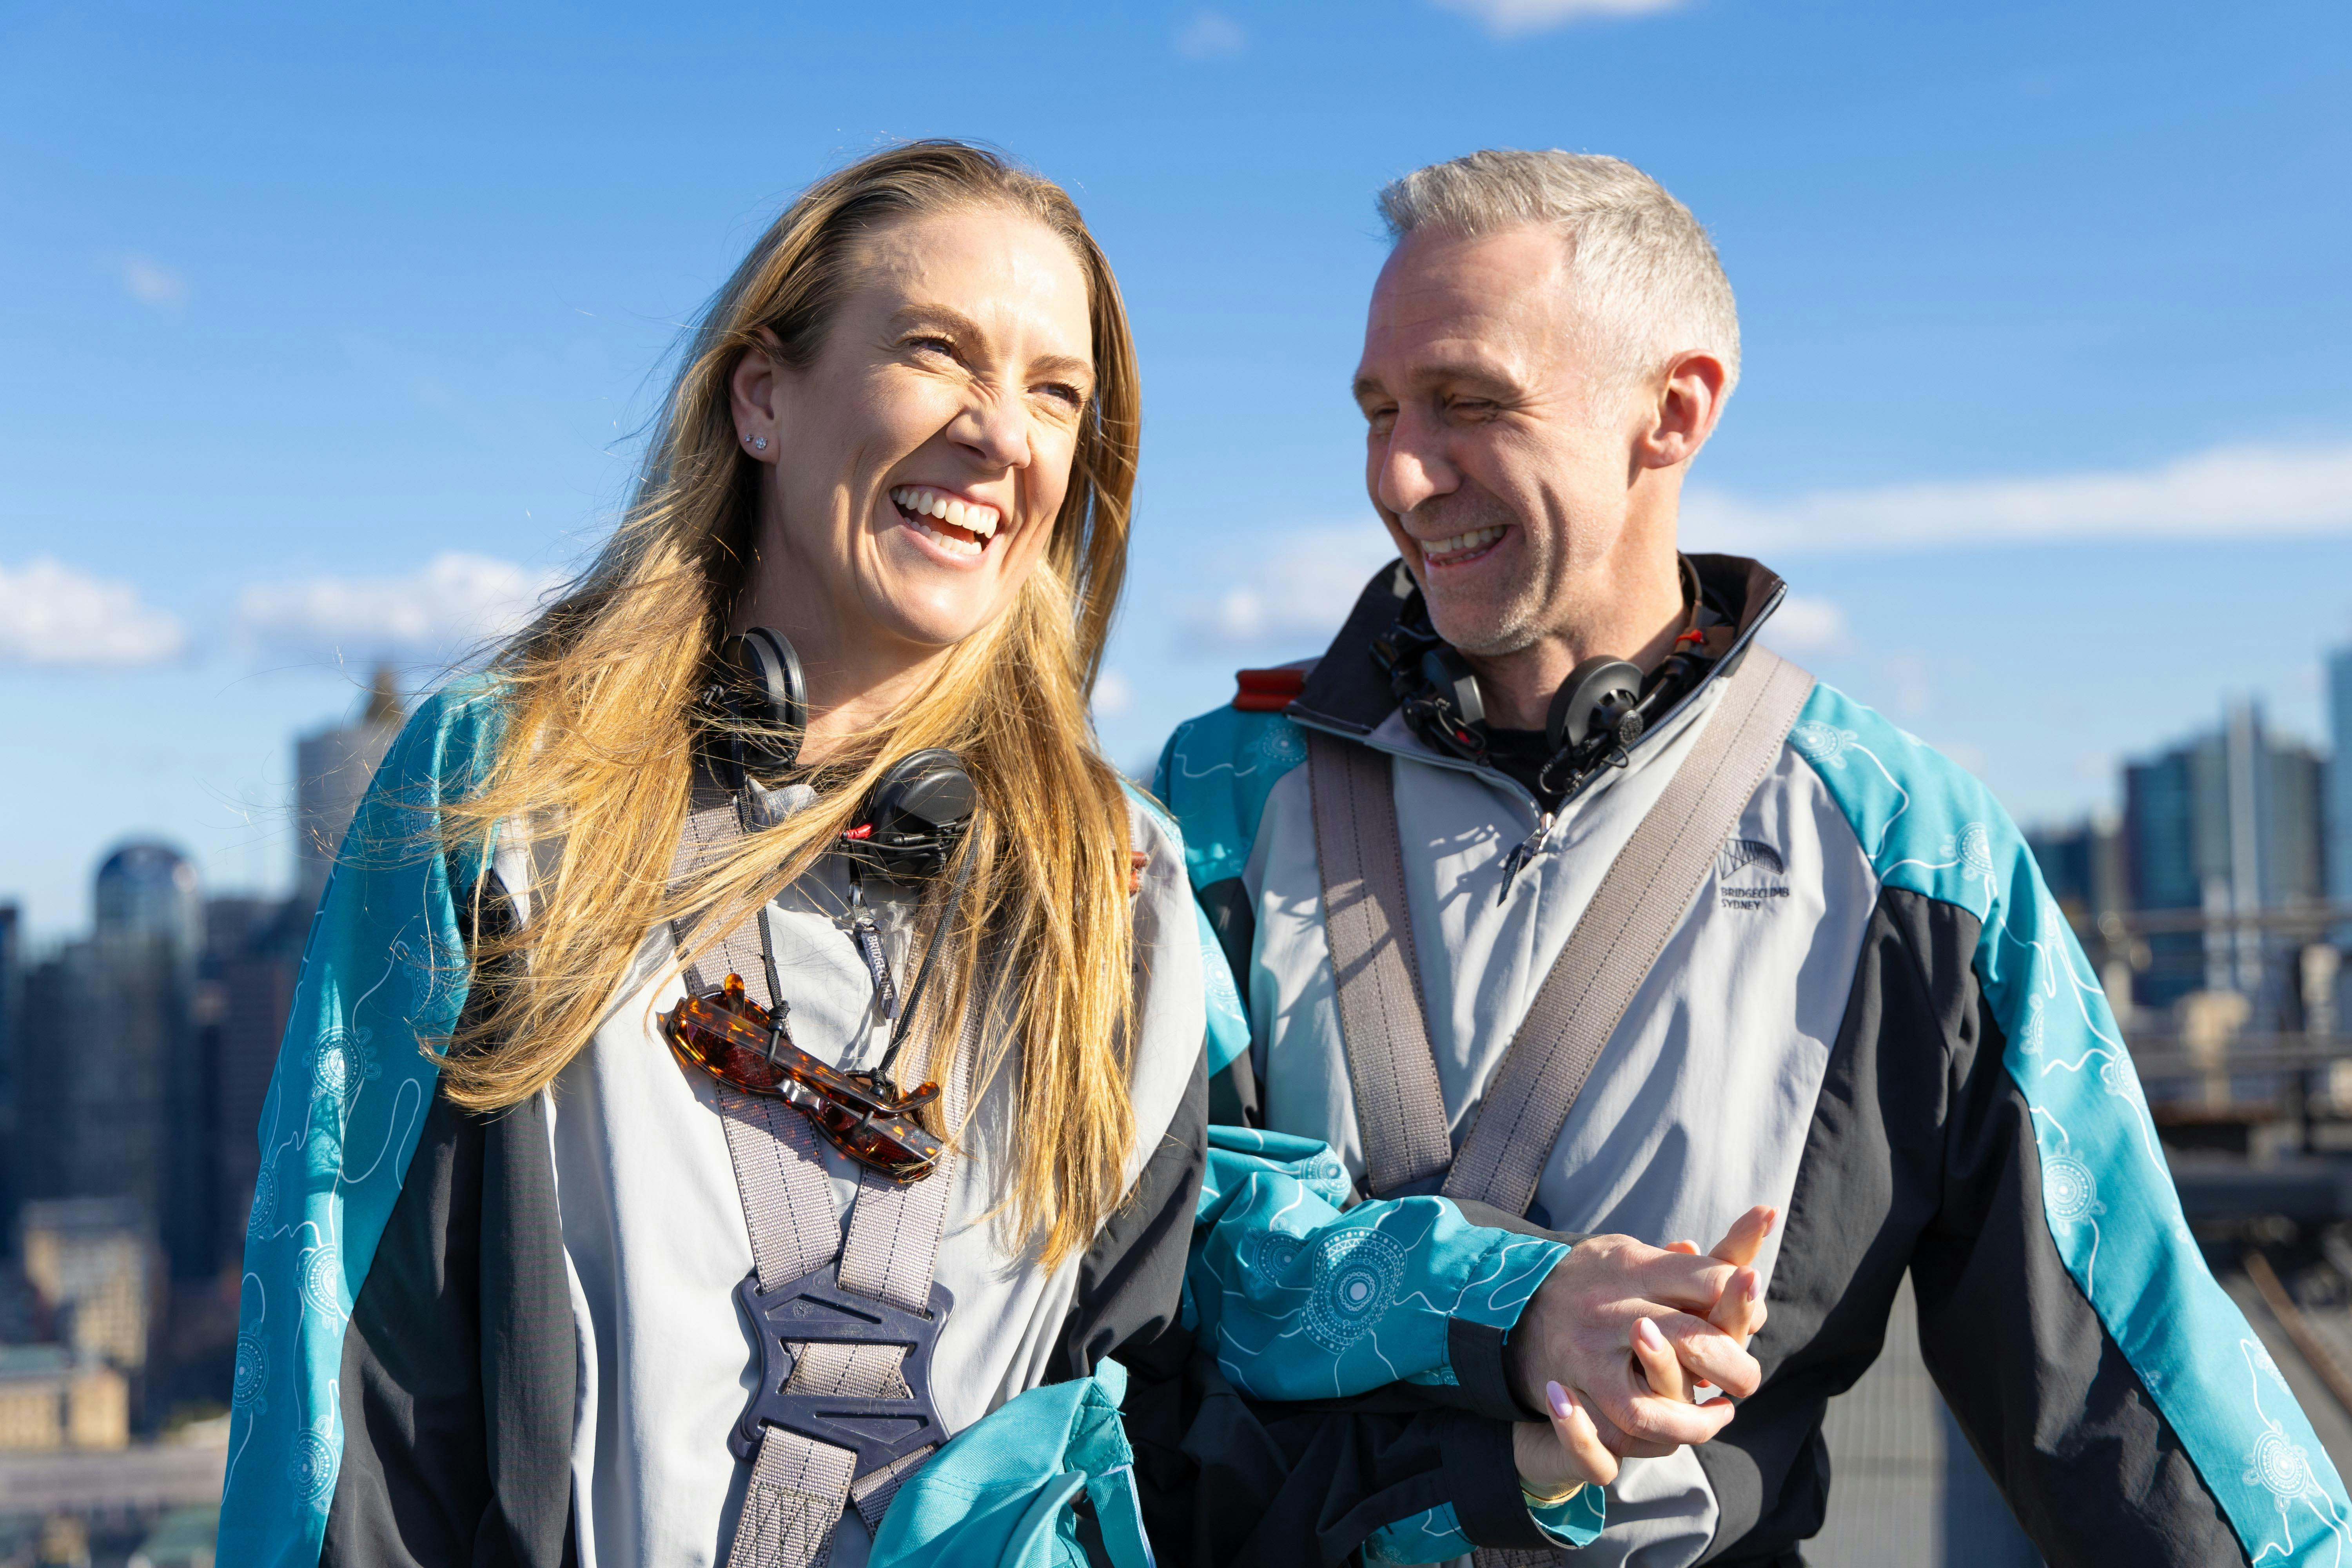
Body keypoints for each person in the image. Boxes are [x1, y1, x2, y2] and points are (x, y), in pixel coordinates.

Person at [1155, 148, 2352, 1565]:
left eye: (1469, 403)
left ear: (1675, 410)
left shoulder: (1908, 844)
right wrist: (1514, 1303)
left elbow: (2125, 1371)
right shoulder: (1220, 791)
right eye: (1379, 412)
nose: (1403, 474)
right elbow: (1153, 1240)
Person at [218, 140, 1225, 1568]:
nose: (1003, 435)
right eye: (938, 353)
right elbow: (357, 1396)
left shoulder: (1122, 896)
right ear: (763, 398)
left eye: (1055, 393)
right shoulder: (515, 795)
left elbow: (1158, 1410)